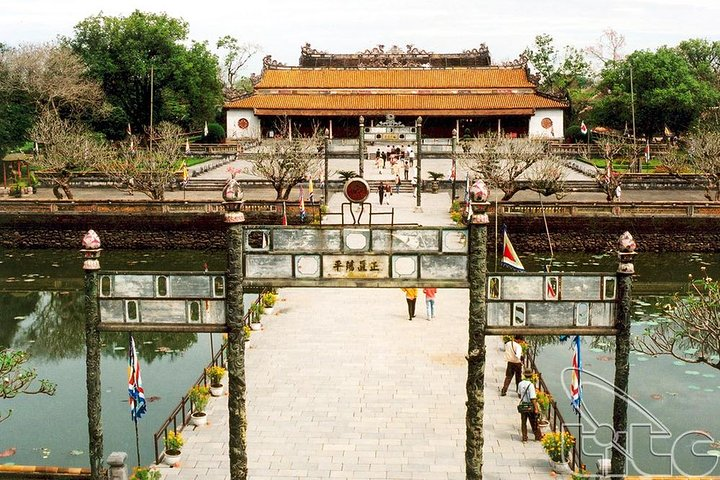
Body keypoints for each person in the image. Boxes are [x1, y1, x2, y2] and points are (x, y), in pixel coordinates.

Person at [517, 368, 542, 442]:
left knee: (523, 422)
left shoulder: (520, 383)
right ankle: (538, 436)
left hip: (523, 405)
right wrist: (536, 408)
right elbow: (533, 398)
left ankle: (524, 437)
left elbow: (519, 394)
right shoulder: (531, 385)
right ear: (531, 376)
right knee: (533, 422)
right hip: (530, 406)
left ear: (524, 375)